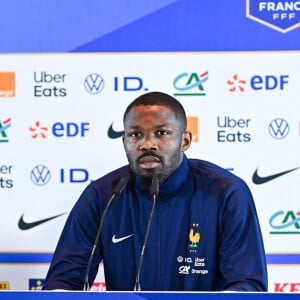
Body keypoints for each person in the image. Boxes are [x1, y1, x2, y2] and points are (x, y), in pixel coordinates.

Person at [43, 91, 268, 291]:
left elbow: (247, 284)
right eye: (135, 135)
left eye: (161, 133)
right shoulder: (104, 195)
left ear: (185, 140)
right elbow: (64, 281)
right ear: (124, 142)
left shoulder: (226, 192)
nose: (147, 144)